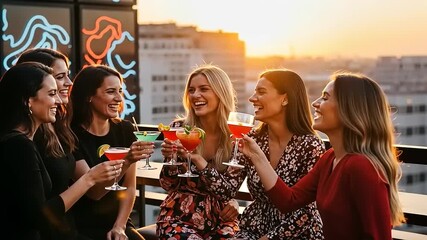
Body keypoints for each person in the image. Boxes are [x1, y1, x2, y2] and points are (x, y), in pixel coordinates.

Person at [239, 72, 406, 240]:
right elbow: (288, 201)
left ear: (348, 109)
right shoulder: (330, 158)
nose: (315, 103)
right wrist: (257, 156)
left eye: (325, 98)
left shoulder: (362, 167)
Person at [0, 62, 122, 239]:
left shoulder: (24, 142)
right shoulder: (19, 146)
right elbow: (39, 217)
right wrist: (89, 178)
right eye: (51, 94)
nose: (58, 100)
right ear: (28, 101)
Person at [221, 69, 324, 239]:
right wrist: (194, 156)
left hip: (297, 233)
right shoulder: (253, 139)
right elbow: (226, 188)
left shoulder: (310, 145)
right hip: (254, 228)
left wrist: (271, 238)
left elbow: (307, 211)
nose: (252, 98)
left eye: (261, 92)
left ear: (285, 99)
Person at [156, 64, 240, 239]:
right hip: (178, 216)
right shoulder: (179, 129)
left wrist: (198, 160)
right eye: (191, 90)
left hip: (221, 219)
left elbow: (228, 192)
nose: (195, 95)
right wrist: (170, 161)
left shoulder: (237, 136)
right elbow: (167, 185)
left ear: (220, 93)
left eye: (204, 89)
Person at [70, 64, 152, 240]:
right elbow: (95, 193)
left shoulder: (125, 129)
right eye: (110, 92)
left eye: (120, 91)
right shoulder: (71, 135)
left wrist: (120, 226)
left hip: (118, 221)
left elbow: (130, 187)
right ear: (89, 96)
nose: (119, 98)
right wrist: (127, 161)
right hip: (84, 225)